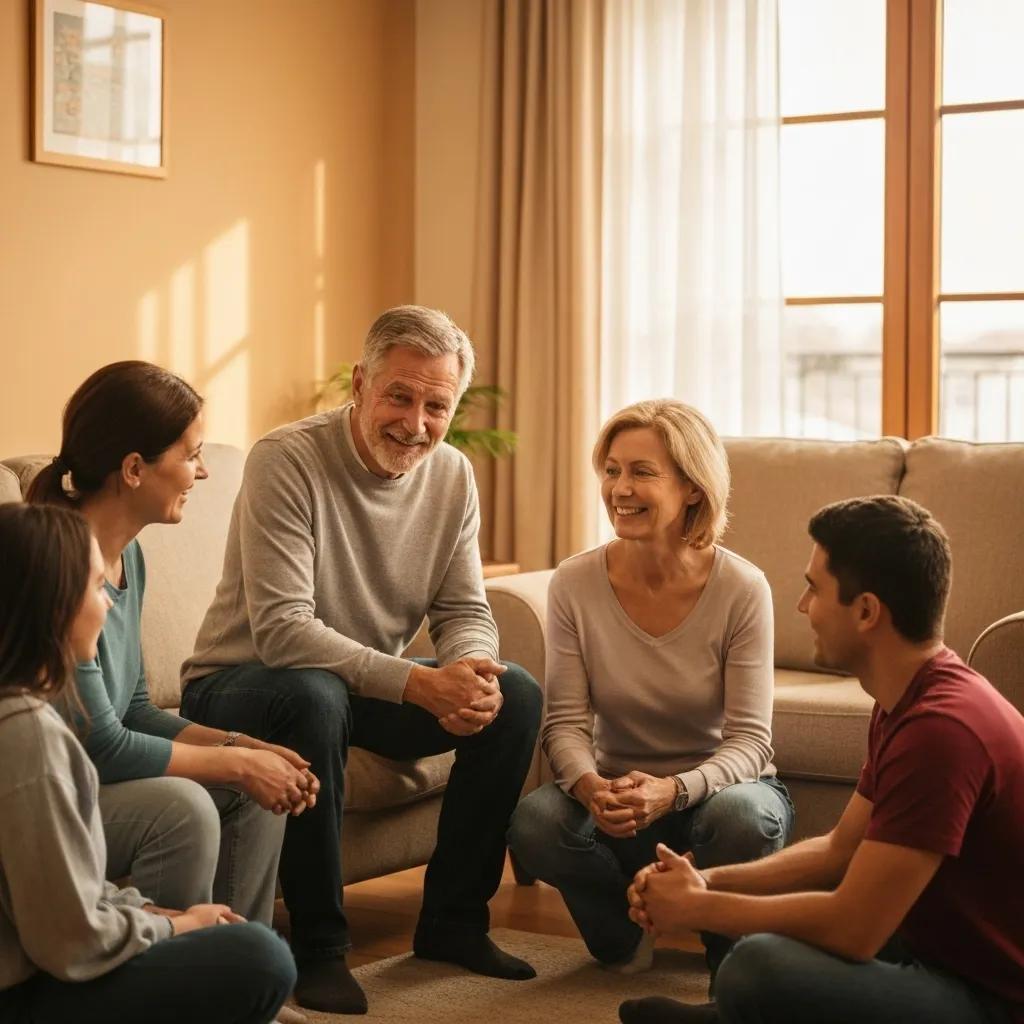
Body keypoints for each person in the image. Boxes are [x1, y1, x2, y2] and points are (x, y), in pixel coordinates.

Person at [180, 305, 544, 1014]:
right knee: (314, 695)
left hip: (352, 684)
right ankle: (318, 948)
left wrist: (469, 672)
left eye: (436, 405)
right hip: (241, 683)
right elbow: (284, 630)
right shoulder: (287, 458)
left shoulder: (452, 477)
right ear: (359, 385)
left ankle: (452, 923)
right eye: (399, 396)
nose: (416, 423)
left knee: (517, 695)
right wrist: (415, 681)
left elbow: (465, 607)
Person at [621, 495, 1023, 1024]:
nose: (802, 606)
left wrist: (696, 909)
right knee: (776, 942)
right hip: (931, 951)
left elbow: (855, 928)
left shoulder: (942, 731)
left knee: (756, 965)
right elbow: (839, 850)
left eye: (815, 587)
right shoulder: (907, 698)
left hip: (991, 998)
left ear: (866, 611)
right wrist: (708, 882)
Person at [27, 362, 318, 933]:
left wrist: (247, 747)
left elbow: (134, 709)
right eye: (191, 455)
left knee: (260, 788)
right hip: (51, 797)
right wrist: (235, 762)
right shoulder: (60, 567)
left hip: (95, 779)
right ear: (134, 469)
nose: (203, 472)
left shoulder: (128, 558)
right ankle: (159, 985)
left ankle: (235, 977)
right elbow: (101, 744)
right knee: (180, 806)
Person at [507, 399, 793, 978]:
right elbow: (564, 723)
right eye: (611, 470)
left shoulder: (742, 587)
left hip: (715, 798)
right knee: (534, 823)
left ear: (692, 487)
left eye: (642, 472)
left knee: (743, 818)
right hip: (618, 807)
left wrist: (672, 791)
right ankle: (621, 940)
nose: (620, 488)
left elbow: (751, 743)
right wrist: (589, 789)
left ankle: (727, 955)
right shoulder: (574, 581)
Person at [0, 502, 297, 1024]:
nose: (108, 607)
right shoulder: (27, 735)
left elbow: (71, 887)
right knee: (262, 957)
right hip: (26, 995)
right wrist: (179, 928)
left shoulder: (24, 717)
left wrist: (152, 912)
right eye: (95, 589)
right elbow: (71, 943)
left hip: (45, 965)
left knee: (232, 944)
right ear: (54, 608)